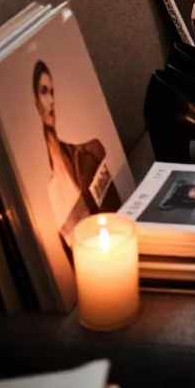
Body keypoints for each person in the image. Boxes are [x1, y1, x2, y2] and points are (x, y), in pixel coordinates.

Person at [33, 60, 121, 257]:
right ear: (37, 103)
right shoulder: (47, 192)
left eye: (52, 92)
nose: (51, 100)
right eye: (44, 92)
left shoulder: (87, 153)